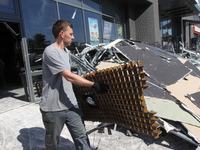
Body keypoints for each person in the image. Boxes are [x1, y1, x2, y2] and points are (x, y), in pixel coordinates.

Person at [39, 20, 108, 150]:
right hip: (53, 108)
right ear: (61, 33)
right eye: (70, 34)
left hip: (71, 104)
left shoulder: (67, 53)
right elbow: (69, 76)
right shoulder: (50, 51)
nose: (73, 37)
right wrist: (93, 85)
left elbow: (70, 77)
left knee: (81, 137)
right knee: (52, 143)